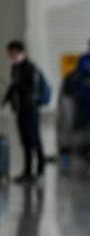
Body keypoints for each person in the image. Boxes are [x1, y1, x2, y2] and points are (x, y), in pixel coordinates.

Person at [2, 41, 46, 183]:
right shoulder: (15, 68)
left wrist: (18, 85)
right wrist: (5, 100)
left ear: (19, 52)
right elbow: (13, 87)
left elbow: (30, 88)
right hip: (20, 109)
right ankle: (27, 171)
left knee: (34, 140)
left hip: (31, 109)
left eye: (13, 52)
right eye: (10, 53)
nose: (11, 55)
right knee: (25, 141)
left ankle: (40, 170)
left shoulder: (29, 67)